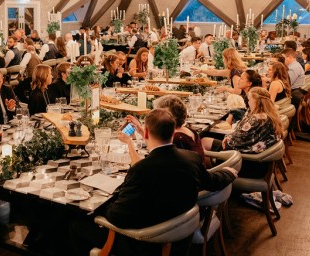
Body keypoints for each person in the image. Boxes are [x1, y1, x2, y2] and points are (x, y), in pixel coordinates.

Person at [71, 108, 237, 256]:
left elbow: (117, 216)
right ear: (173, 133)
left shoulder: (141, 169)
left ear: (145, 134)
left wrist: (100, 207)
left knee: (74, 224)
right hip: (178, 236)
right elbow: (212, 181)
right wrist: (230, 172)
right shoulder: (191, 158)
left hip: (144, 241)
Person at [206, 87, 283, 177]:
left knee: (203, 145)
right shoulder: (270, 115)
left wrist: (229, 138)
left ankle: (214, 179)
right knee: (205, 141)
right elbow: (243, 136)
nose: (248, 102)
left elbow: (236, 142)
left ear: (256, 101)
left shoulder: (256, 119)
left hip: (248, 163)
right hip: (256, 158)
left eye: (249, 99)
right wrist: (230, 137)